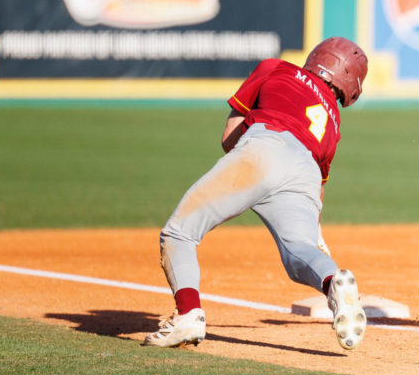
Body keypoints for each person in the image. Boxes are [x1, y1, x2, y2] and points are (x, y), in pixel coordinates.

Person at [143, 37, 369, 351]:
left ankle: (187, 315)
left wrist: (246, 184)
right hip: (305, 173)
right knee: (299, 252)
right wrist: (314, 232)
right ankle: (332, 281)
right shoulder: (333, 117)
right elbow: (318, 185)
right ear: (351, 87)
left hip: (265, 147)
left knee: (179, 233)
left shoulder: (276, 67)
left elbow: (229, 137)